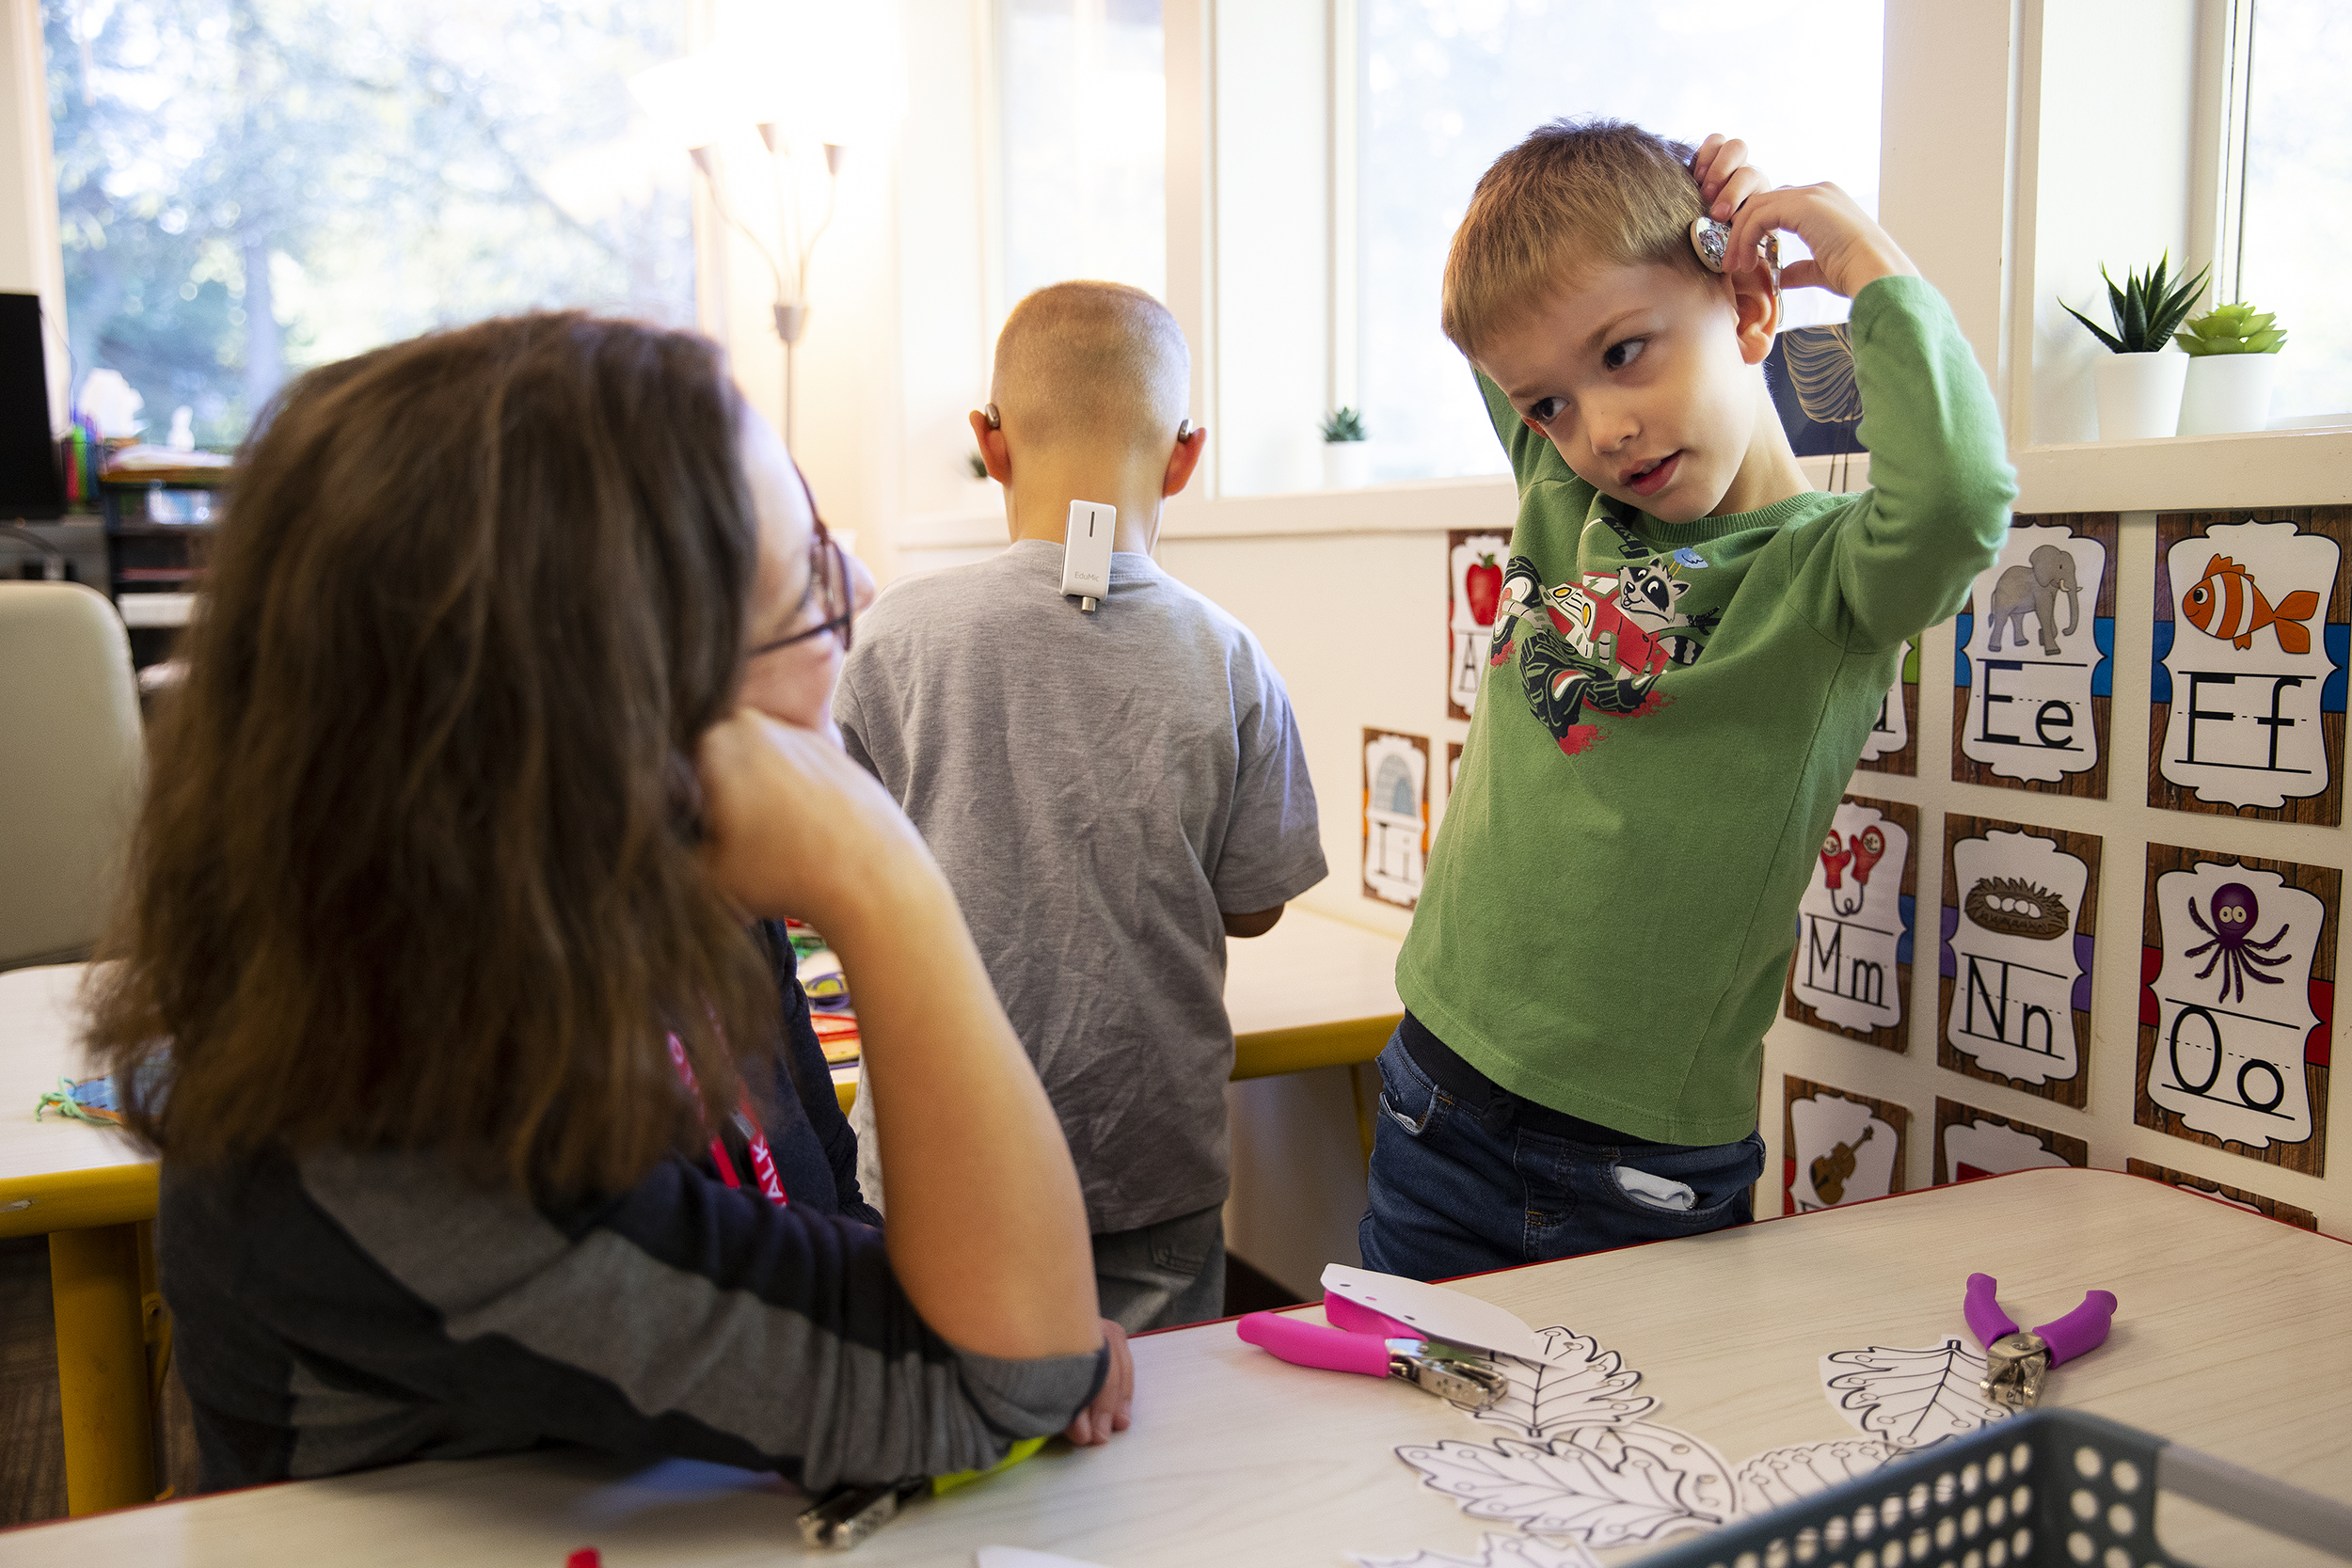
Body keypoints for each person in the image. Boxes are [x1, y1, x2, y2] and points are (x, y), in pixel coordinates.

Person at [85, 312, 1134, 1493]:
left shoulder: (643, 892)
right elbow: (1008, 1371)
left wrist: (985, 1293)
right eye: (804, 583)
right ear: (620, 713)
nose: (863, 591)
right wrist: (885, 876)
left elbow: (836, 1239)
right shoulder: (390, 1143)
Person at [1362, 123, 2015, 1279]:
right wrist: (1656, 220)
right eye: (1550, 405)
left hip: (1637, 1168)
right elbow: (1507, 308)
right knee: (1396, 1445)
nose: (1599, 429)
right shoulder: (1558, 486)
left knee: (1624, 1461)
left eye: (1625, 353)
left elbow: (1960, 498)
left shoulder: (1834, 579)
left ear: (1750, 310)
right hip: (1433, 1096)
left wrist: (1853, 252)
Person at [835, 281, 1327, 1332]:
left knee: (950, 1436)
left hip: (939, 1156)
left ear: (989, 441)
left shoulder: (891, 639)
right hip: (1149, 1158)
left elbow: (832, 873)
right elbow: (1254, 905)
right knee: (1155, 1443)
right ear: (1186, 456)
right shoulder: (1232, 659)